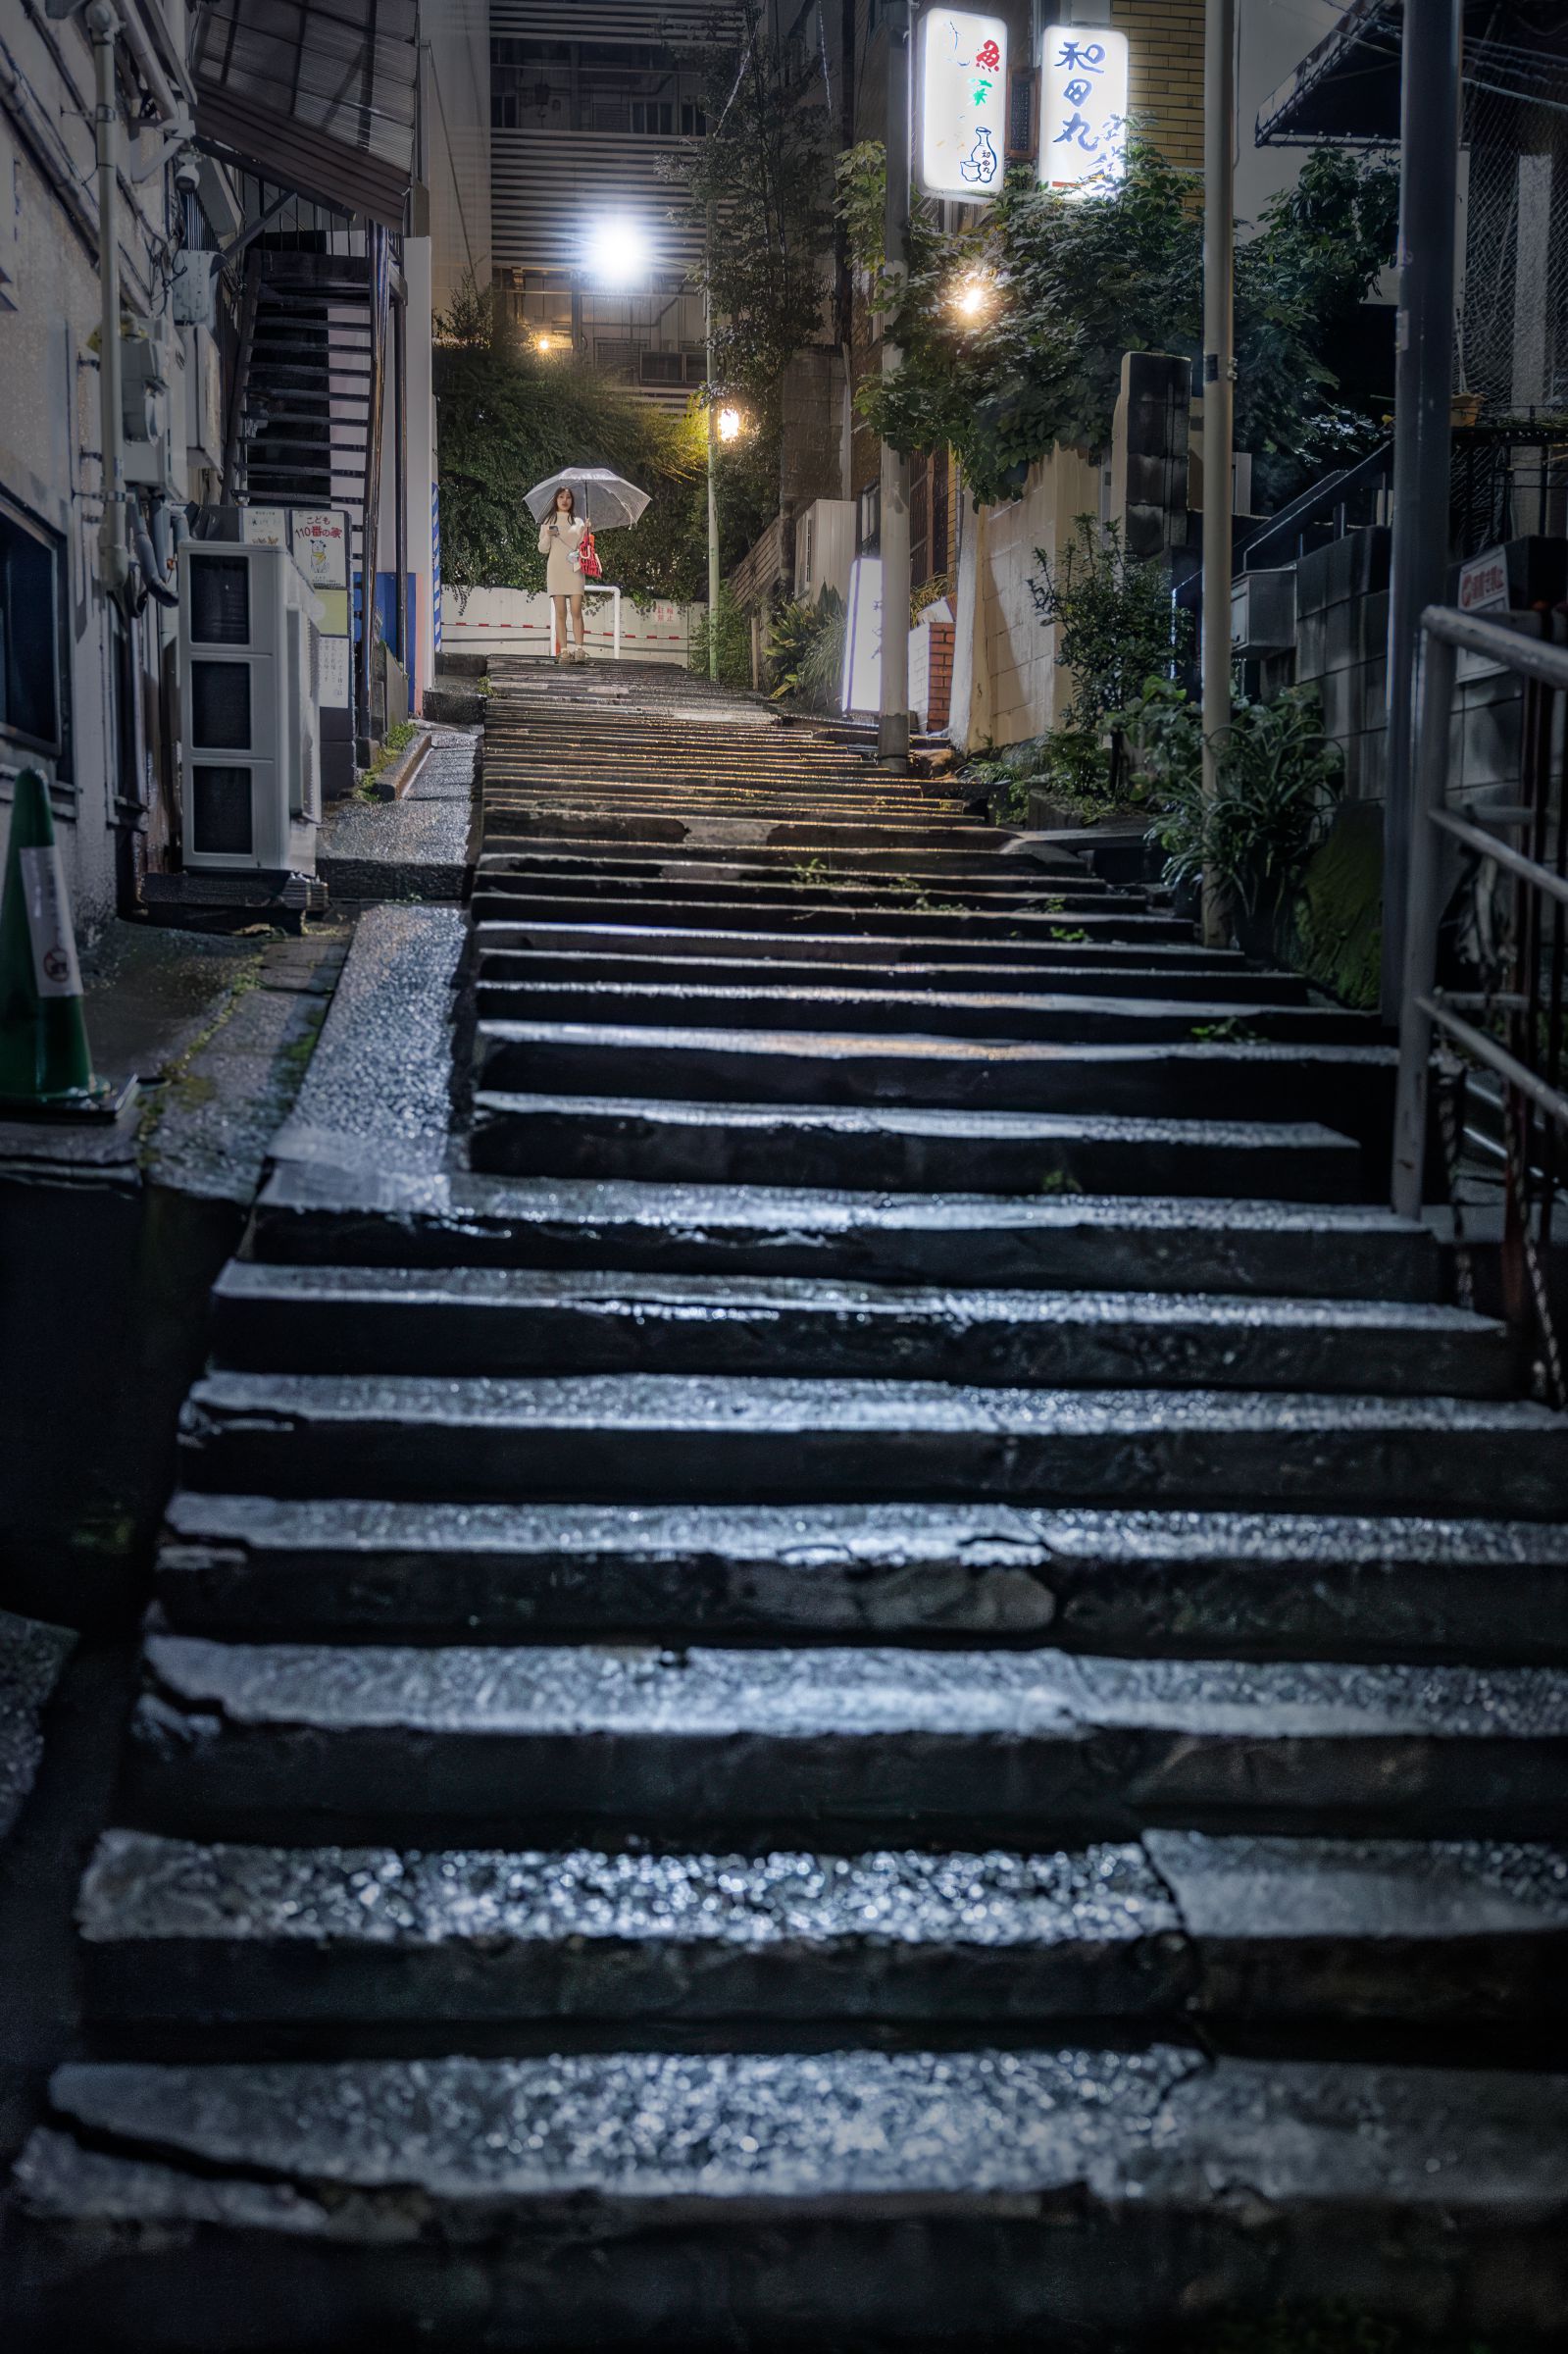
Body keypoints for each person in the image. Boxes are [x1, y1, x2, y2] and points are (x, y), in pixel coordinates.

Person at [538, 485, 589, 663]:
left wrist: (587, 531)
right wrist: (548, 535)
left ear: (572, 500)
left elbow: (584, 547)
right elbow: (542, 549)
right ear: (556, 499)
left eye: (568, 497)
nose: (565, 500)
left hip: (575, 568)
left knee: (576, 609)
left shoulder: (579, 522)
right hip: (555, 570)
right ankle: (565, 651)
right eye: (561, 497)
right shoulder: (548, 520)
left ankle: (580, 649)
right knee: (560, 612)